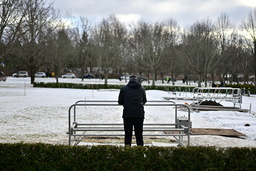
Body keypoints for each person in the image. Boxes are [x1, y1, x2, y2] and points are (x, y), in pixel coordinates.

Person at [118, 75, 147, 146]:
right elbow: (144, 101)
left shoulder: (124, 89)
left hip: (127, 114)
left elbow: (120, 101)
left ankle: (128, 152)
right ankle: (140, 151)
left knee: (128, 134)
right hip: (139, 114)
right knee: (139, 134)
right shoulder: (141, 89)